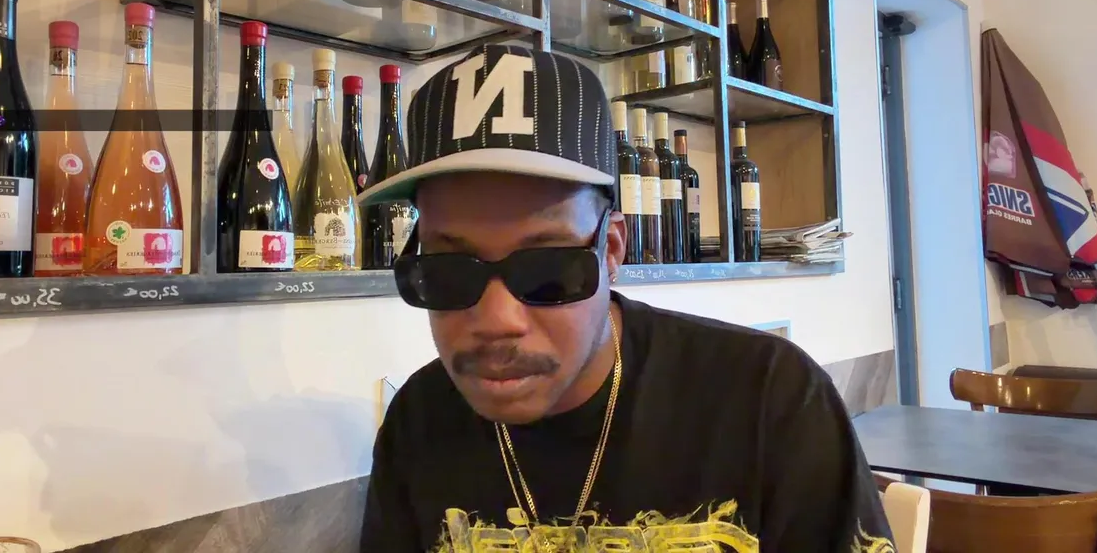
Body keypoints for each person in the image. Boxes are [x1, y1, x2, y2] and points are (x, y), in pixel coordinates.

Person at [357, 45, 894, 553]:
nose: (497, 320)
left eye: (547, 271)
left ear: (610, 250)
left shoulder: (770, 402)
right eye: (449, 272)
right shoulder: (417, 424)